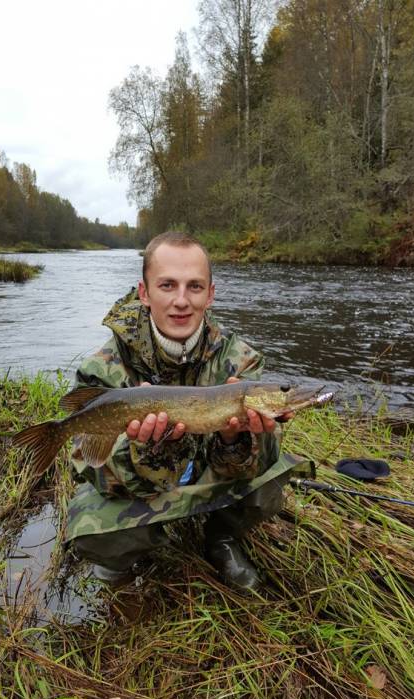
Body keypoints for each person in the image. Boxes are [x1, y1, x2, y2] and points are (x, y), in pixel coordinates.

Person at [65, 232, 311, 591]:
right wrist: (144, 448)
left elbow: (259, 462)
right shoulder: (104, 368)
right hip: (145, 489)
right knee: (93, 530)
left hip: (205, 473)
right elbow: (88, 466)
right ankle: (122, 558)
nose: (181, 301)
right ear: (144, 293)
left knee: (275, 470)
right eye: (167, 285)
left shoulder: (238, 359)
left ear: (210, 294)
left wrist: (234, 436)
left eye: (194, 287)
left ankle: (221, 538)